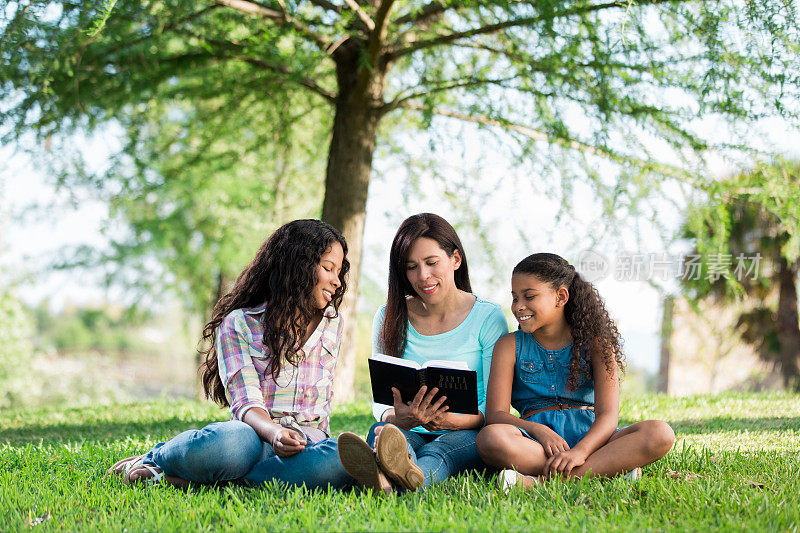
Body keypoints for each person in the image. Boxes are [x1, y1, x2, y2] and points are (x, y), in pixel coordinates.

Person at [107, 219, 355, 490]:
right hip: (252, 438)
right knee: (230, 445)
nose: (336, 280)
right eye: (328, 268)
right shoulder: (239, 324)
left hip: (307, 445)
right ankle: (156, 458)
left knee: (339, 457)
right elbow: (246, 403)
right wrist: (274, 433)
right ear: (297, 267)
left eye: (339, 271)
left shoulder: (333, 322)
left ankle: (217, 482)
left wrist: (294, 440)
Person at [337, 213, 509, 493]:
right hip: (408, 426)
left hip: (465, 432)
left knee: (439, 453)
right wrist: (396, 419)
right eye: (412, 267)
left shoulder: (488, 318)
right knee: (381, 435)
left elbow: (494, 408)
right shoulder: (388, 315)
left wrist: (451, 421)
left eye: (431, 263)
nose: (423, 276)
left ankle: (395, 478)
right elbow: (380, 399)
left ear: (455, 259)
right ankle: (387, 478)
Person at [475, 253, 675, 491]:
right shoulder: (509, 345)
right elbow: (496, 414)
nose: (518, 306)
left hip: (592, 441)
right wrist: (539, 430)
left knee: (660, 433)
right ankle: (604, 472)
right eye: (515, 297)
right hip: (536, 445)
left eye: (529, 296)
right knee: (490, 438)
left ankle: (540, 483)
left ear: (561, 296)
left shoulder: (597, 344)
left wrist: (581, 451)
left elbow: (608, 415)